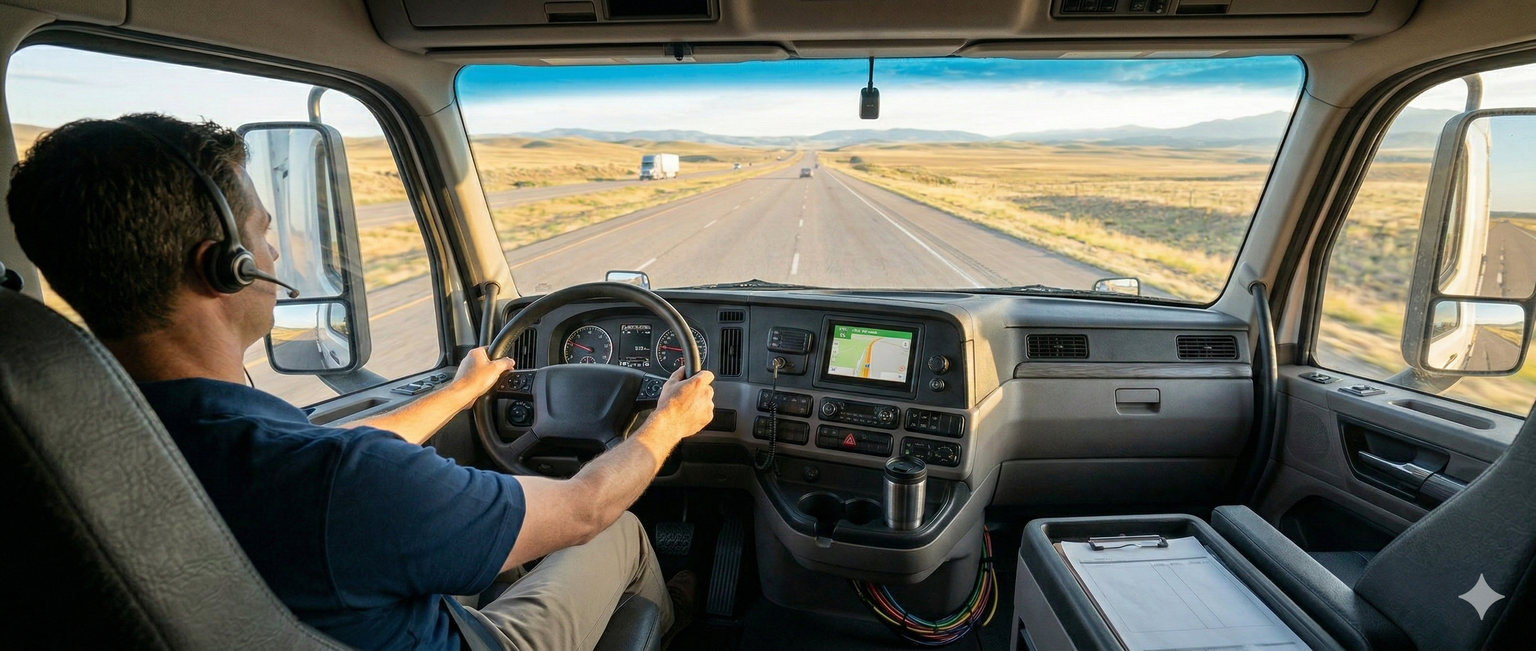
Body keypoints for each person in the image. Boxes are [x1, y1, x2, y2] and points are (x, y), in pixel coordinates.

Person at [6, 113, 717, 651]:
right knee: (619, 530)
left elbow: (322, 454)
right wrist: (667, 423)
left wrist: (457, 394)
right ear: (220, 263)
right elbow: (584, 504)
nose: (276, 247)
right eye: (260, 228)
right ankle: (677, 617)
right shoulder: (337, 483)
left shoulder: (89, 445)